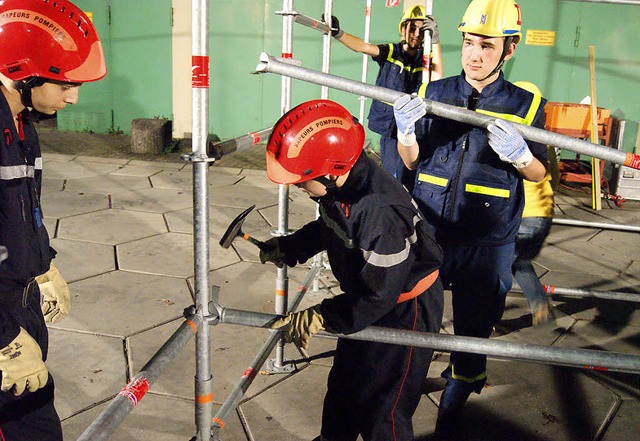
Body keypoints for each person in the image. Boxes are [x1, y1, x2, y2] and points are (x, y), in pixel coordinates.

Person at [392, 0, 549, 434]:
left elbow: (539, 171)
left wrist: (519, 156)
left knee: (471, 338)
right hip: (431, 231)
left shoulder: (528, 104)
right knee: (408, 328)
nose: (473, 54)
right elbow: (411, 159)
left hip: (488, 242)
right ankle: (393, 414)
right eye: (468, 43)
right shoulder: (434, 93)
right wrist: (406, 132)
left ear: (509, 50)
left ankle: (449, 421)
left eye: (486, 45)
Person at [260, 99, 444, 441]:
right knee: (344, 388)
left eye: (302, 179)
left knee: (383, 408)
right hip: (370, 295)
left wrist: (324, 315)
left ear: (331, 171)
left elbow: (379, 294)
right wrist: (291, 248)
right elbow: (332, 225)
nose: (295, 186)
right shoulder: (345, 183)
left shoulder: (378, 211)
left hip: (405, 310)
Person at [0, 1, 106, 439]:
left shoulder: (21, 123)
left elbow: (22, 213)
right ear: (24, 72)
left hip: (19, 305)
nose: (74, 95)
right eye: (64, 83)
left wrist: (44, 266)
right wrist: (3, 337)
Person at [325, 6, 444, 191]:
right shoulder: (391, 52)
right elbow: (362, 47)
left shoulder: (426, 61)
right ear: (402, 28)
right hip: (389, 129)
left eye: (422, 31)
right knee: (393, 178)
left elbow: (438, 77)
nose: (416, 34)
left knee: (412, 177)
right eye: (412, 28)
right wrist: (338, 33)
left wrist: (435, 41)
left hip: (413, 129)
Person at [511, 81, 559, 326]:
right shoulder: (543, 139)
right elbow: (556, 176)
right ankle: (539, 304)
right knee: (519, 263)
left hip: (523, 214)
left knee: (499, 264)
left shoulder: (510, 139)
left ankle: (485, 316)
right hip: (544, 214)